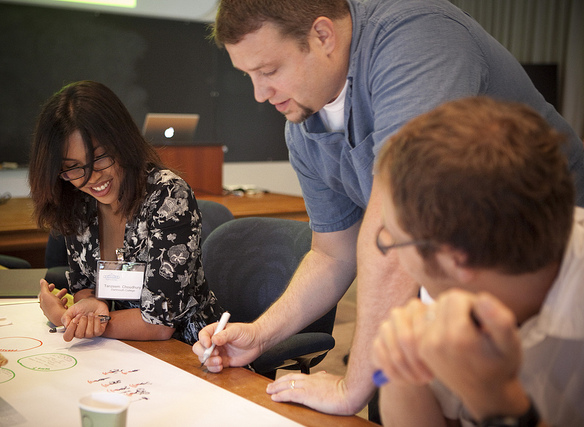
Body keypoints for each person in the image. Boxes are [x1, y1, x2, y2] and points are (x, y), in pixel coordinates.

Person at [192, 0, 584, 417]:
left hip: (546, 263)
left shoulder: (415, 37)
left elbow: (394, 242)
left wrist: (354, 387)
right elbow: (333, 252)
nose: (258, 94)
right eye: (248, 76)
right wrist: (261, 335)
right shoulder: (305, 128)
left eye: (269, 71)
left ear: (323, 36)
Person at [370, 96, 584, 426]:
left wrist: (498, 400)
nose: (393, 251)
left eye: (396, 240)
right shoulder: (446, 290)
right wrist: (398, 372)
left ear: (454, 259)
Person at [29, 80, 221, 345]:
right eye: (73, 168)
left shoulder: (167, 196)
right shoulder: (76, 201)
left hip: (190, 350)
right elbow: (85, 287)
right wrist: (85, 310)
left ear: (122, 141)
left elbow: (159, 324)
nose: (91, 178)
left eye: (99, 158)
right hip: (118, 347)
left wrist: (67, 319)